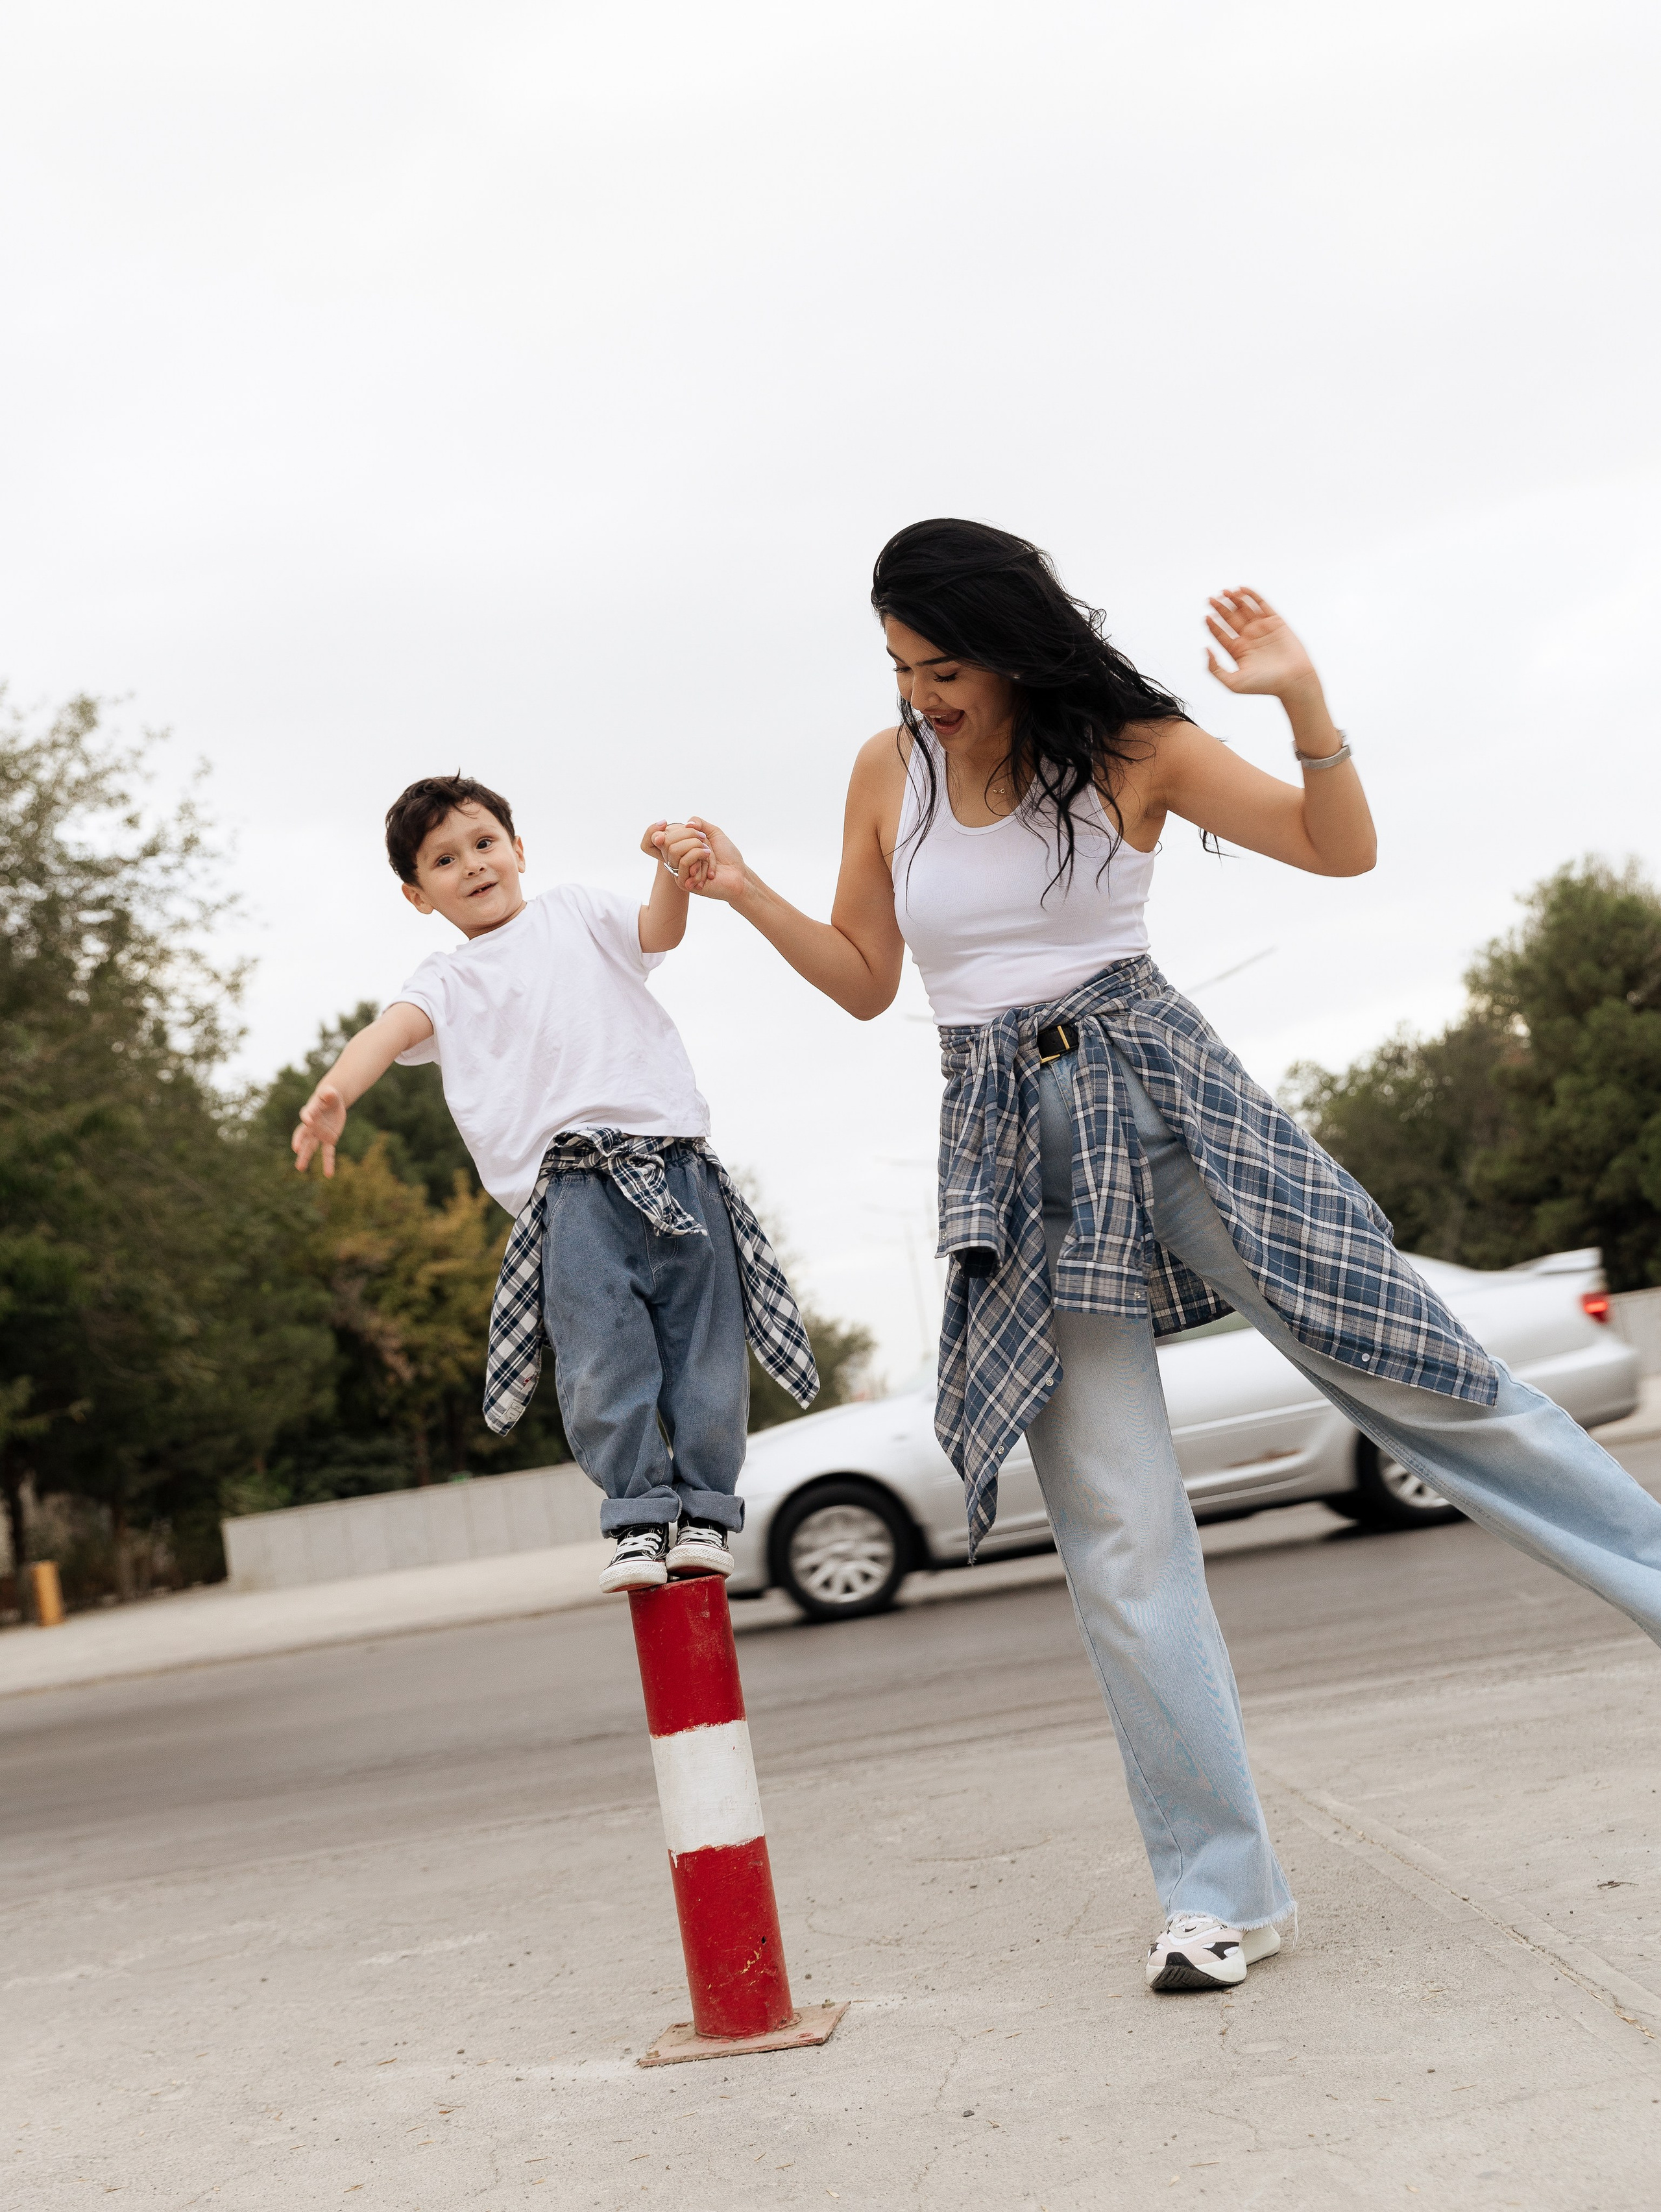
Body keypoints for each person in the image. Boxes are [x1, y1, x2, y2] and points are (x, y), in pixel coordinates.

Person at [657, 517, 1661, 1995]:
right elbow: (870, 983)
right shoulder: (888, 771)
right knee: (1117, 1529)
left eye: (941, 666)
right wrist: (744, 889)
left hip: (1165, 1093)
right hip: (1002, 1139)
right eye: (896, 667)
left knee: (1421, 1375)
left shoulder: (1133, 745)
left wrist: (1300, 701)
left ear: (1009, 644)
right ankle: (1216, 1890)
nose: (919, 693)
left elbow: (1337, 847)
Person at [291, 773, 817, 1594]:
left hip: (677, 1164)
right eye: (443, 860)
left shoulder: (575, 911)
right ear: (416, 893)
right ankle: (640, 1519)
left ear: (517, 848)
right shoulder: (446, 980)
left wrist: (668, 869)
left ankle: (707, 1513)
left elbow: (657, 933)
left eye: (483, 843)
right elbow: (385, 1032)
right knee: (601, 1360)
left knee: (705, 1351)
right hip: (570, 1196)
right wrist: (335, 1093)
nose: (471, 865)